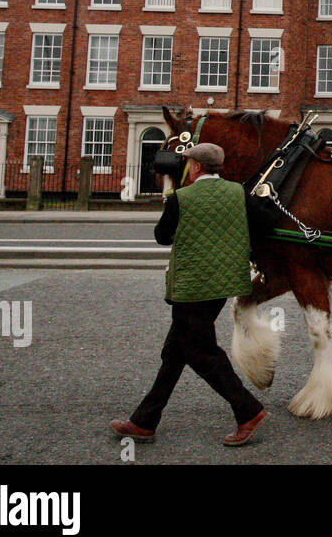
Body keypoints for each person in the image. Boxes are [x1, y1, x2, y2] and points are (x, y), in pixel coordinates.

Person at [110, 142, 268, 447]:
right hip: (223, 284)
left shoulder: (181, 198)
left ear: (195, 166)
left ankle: (249, 411)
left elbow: (161, 236)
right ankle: (144, 421)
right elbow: (265, 223)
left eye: (188, 163)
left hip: (192, 286)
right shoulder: (238, 193)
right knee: (175, 352)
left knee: (200, 353)